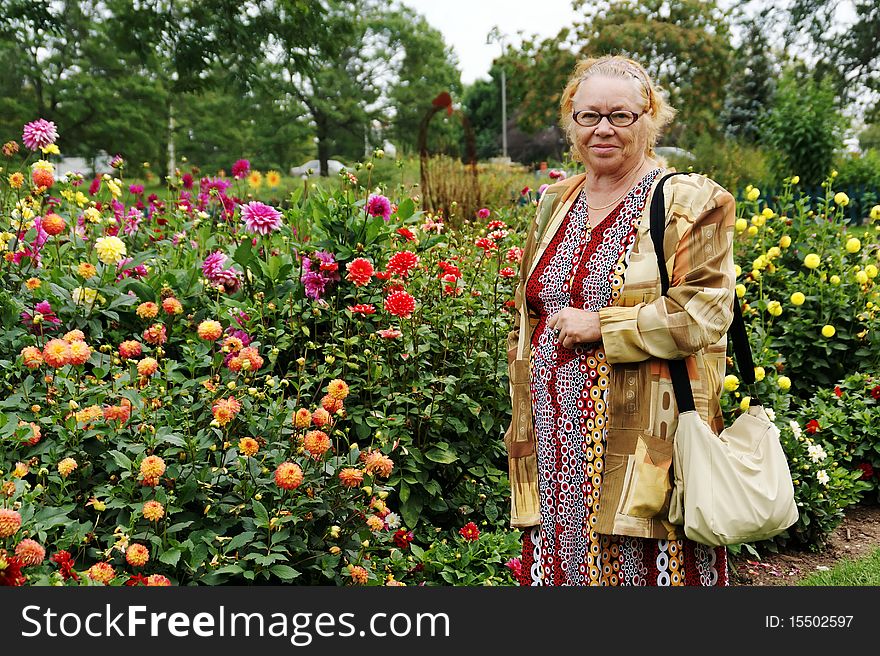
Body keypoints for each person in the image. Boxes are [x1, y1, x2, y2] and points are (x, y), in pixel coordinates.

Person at [504, 55, 737, 586]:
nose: (602, 128)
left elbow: (703, 313)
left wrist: (603, 327)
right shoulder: (554, 202)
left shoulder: (689, 201)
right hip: (553, 440)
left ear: (650, 118)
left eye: (620, 115)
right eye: (588, 116)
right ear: (571, 123)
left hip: (642, 439)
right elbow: (533, 307)